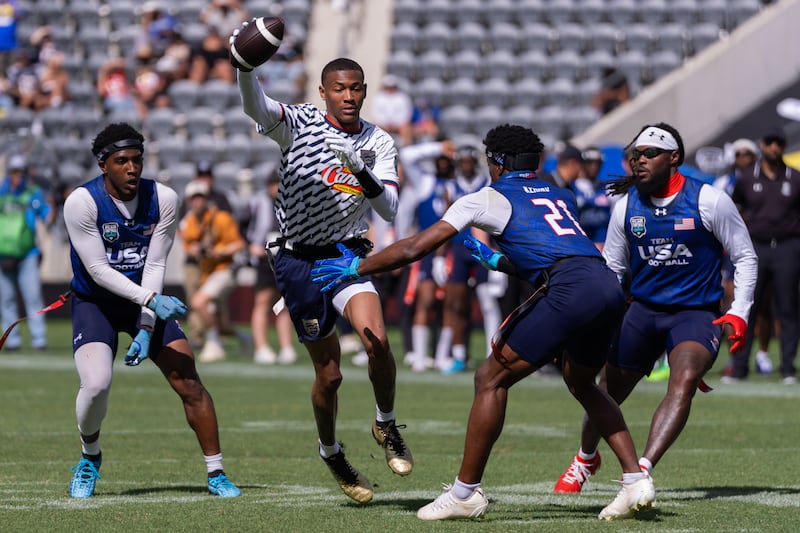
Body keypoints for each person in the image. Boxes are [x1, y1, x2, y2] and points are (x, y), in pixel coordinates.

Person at [311, 123, 654, 521]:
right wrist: (498, 262)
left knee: (490, 378)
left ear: (497, 163)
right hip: (606, 287)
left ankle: (465, 492)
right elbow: (556, 256)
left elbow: (415, 247)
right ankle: (635, 480)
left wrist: (358, 267)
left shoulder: (485, 199)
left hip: (571, 288)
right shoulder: (560, 195)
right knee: (582, 383)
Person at [231, 33, 412, 504]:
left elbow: (389, 210)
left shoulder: (378, 141)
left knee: (377, 341)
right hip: (297, 260)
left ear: (365, 91)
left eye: (356, 88)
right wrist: (244, 69)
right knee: (329, 375)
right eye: (339, 88)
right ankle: (331, 451)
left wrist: (361, 171)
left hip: (346, 254)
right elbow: (255, 107)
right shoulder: (300, 123)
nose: (348, 96)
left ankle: (386, 424)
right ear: (323, 92)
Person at [552, 122, 757, 496]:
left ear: (674, 157)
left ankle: (641, 470)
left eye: (650, 153)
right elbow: (613, 270)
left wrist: (739, 310)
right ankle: (585, 457)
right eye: (635, 155)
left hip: (696, 313)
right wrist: (590, 318)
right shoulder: (625, 207)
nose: (639, 160)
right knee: (606, 390)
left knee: (685, 379)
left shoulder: (709, 200)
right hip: (643, 311)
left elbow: (745, 256)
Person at [62, 122, 240, 498]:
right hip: (95, 303)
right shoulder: (81, 202)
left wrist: (146, 325)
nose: (132, 168)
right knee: (96, 384)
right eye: (121, 161)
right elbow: (97, 270)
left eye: (137, 160)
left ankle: (217, 473)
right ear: (103, 164)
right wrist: (151, 301)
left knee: (188, 377)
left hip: (143, 299)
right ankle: (89, 457)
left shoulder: (164, 199)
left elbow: (155, 264)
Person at [728, 127, 800, 384]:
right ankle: (739, 368)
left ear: (783, 146)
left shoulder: (795, 178)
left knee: (788, 308)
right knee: (747, 305)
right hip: (754, 248)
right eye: (770, 142)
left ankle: (788, 368)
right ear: (762, 144)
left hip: (787, 247)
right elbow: (735, 211)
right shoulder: (747, 177)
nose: (774, 147)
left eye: (779, 143)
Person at [434, 145, 502, 374]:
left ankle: (492, 354)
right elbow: (444, 224)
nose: (466, 165)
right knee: (456, 303)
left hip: (483, 248)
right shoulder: (450, 187)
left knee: (487, 302)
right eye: (462, 161)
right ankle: (459, 354)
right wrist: (439, 257)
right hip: (459, 249)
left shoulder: (487, 185)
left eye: (469, 161)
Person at [396, 139, 456, 372]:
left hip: (452, 250)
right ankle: (420, 357)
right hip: (428, 251)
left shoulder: (459, 184)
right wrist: (438, 147)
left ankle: (442, 356)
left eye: (447, 158)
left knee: (451, 304)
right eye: (440, 158)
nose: (444, 162)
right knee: (425, 300)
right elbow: (407, 156)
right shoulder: (426, 182)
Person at [178, 179, 245, 362]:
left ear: (206, 199)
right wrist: (198, 249)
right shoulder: (190, 222)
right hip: (208, 273)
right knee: (219, 321)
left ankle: (214, 344)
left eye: (201, 197)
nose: (198, 201)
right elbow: (189, 246)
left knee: (198, 302)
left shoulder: (221, 218)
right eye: (194, 198)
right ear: (189, 201)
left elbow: (239, 244)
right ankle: (245, 339)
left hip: (224, 270)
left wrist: (219, 251)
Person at [0, 153, 52, 351]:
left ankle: (39, 340)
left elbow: (47, 216)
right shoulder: (1, 193)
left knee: (33, 297)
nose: (17, 176)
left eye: (20, 172)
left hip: (28, 253)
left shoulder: (33, 193)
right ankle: (11, 340)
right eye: (14, 171)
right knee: (6, 299)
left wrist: (52, 207)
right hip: (3, 254)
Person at [246, 170, 296, 365]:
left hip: (286, 257)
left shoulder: (292, 202)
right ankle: (261, 347)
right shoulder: (257, 202)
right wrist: (251, 246)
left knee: (284, 303)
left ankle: (286, 346)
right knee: (263, 301)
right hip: (264, 258)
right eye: (274, 184)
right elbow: (243, 226)